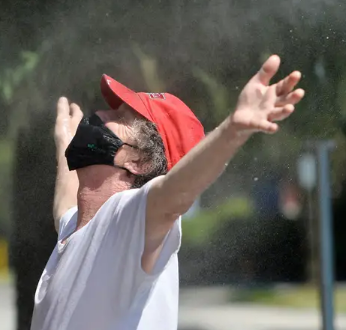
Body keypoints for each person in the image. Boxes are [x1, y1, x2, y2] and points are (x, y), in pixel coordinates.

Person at [30, 55, 304, 330]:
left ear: (139, 162)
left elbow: (175, 192)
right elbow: (64, 204)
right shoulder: (76, 227)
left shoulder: (127, 221)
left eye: (120, 117)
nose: (100, 115)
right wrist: (64, 140)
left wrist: (233, 129)